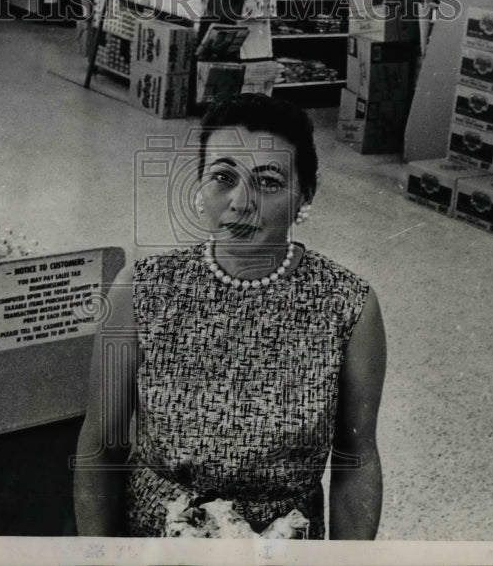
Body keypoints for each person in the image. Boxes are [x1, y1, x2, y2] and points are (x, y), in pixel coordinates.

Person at [74, 93, 385, 539]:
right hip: (157, 544)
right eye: (223, 177)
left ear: (306, 196)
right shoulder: (141, 290)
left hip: (283, 547)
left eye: (269, 182)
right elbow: (100, 444)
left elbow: (357, 458)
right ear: (200, 186)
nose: (241, 202)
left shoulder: (348, 306)